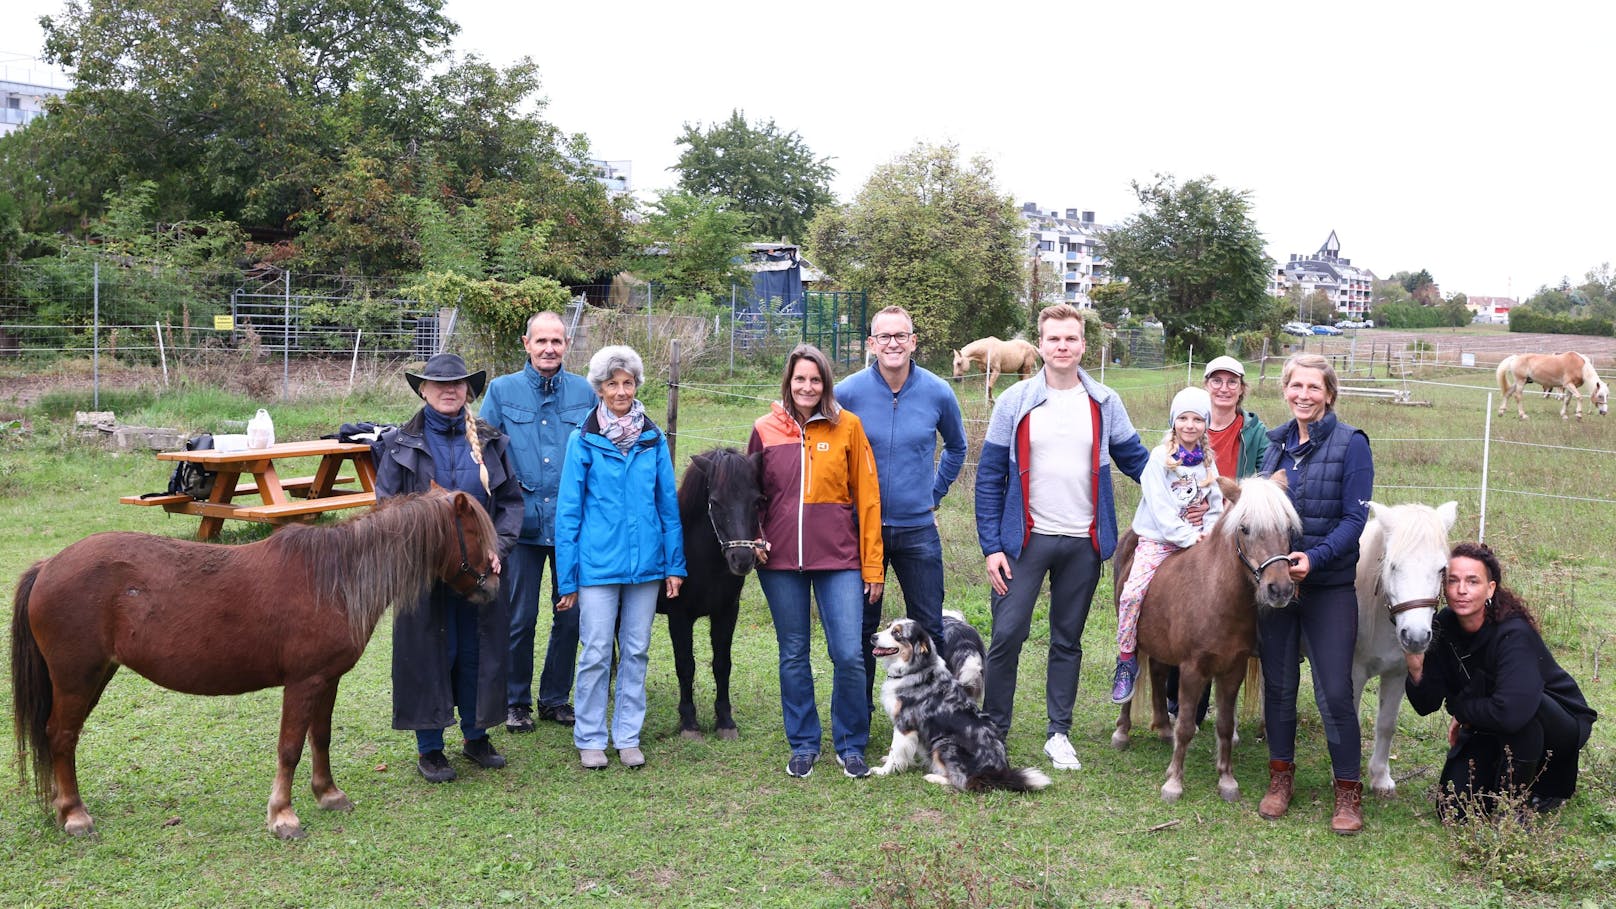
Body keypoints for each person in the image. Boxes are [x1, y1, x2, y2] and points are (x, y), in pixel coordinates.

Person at [976, 303, 1152, 772]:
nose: (1062, 346)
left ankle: (1059, 733)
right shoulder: (1015, 402)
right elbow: (990, 476)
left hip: (1083, 543)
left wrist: (1186, 482)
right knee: (1007, 636)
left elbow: (1138, 462)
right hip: (1024, 542)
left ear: (1082, 345)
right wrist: (992, 546)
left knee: (1067, 640)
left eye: (1070, 338)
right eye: (1053, 339)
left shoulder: (1104, 401)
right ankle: (994, 732)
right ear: (1041, 344)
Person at [374, 353, 523, 783]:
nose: (449, 391)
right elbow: (387, 508)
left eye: (458, 384)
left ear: (469, 391)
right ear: (423, 390)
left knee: (478, 651)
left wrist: (500, 547)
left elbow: (511, 503)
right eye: (439, 385)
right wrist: (422, 554)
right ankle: (430, 747)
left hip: (480, 569)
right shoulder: (401, 445)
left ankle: (476, 737)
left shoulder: (492, 441)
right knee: (430, 653)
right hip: (423, 574)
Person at [749, 343, 883, 779]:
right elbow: (749, 496)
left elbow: (867, 499)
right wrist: (754, 538)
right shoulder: (765, 428)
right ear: (788, 382)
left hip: (840, 559)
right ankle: (804, 743)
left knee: (848, 653)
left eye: (815, 379)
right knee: (793, 653)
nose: (807, 387)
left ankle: (851, 744)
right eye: (799, 379)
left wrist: (873, 566)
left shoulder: (849, 427)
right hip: (780, 561)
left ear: (825, 383)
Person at [1255, 352, 1375, 834]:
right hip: (1279, 588)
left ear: (1329, 393)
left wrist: (1317, 558)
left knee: (1335, 692)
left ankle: (1347, 791)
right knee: (1279, 688)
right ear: (1285, 390)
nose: (1303, 395)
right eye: (1295, 386)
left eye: (1313, 387)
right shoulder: (1275, 446)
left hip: (1327, 588)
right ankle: (1280, 778)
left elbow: (1354, 520)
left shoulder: (1352, 445)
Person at [554, 346, 686, 770]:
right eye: (612, 383)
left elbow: (668, 506)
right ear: (599, 388)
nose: (621, 391)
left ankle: (627, 734)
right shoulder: (583, 439)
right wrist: (567, 579)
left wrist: (674, 565)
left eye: (627, 383)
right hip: (597, 566)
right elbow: (569, 512)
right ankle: (590, 736)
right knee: (594, 651)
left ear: (636, 385)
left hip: (646, 566)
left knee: (637, 649)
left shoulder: (652, 440)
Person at [835, 305, 967, 712]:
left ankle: (934, 713)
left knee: (929, 627)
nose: (893, 343)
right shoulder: (847, 392)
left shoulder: (938, 391)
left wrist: (934, 492)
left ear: (913, 341)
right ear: (871, 344)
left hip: (916, 529)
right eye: (884, 337)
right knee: (861, 630)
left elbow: (957, 447)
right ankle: (858, 718)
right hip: (861, 531)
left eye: (901, 336)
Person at [1405, 542, 1596, 817]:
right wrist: (1415, 666)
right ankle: (1499, 775)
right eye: (1453, 581)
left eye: (1472, 581)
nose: (1461, 590)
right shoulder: (1443, 625)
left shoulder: (1513, 631)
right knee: (1453, 809)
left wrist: (1463, 711)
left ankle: (1517, 806)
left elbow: (1511, 713)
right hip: (1490, 720)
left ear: (1490, 588)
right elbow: (1427, 704)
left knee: (1524, 715)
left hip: (1557, 721)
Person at [479, 311, 597, 733]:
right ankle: (516, 701)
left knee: (570, 616)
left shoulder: (585, 393)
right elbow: (484, 452)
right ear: (526, 343)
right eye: (541, 341)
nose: (549, 349)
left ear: (567, 346)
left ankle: (555, 698)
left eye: (557, 342)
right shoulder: (502, 390)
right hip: (522, 527)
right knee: (519, 616)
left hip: (571, 527)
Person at [1165, 355, 1271, 721]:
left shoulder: (1255, 432)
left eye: (1232, 382)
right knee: (1182, 601)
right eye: (1217, 380)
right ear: (1206, 384)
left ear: (1242, 389)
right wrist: (1188, 508)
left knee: (1227, 606)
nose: (1224, 388)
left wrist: (1232, 509)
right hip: (1190, 519)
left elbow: (1263, 479)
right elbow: (1170, 475)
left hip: (1235, 523)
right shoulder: (1191, 425)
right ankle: (1169, 690)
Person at [1112, 387, 1225, 705]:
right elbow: (1161, 510)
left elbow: (1215, 504)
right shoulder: (1159, 459)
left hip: (1198, 543)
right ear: (1174, 422)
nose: (1190, 425)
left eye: (1197, 419)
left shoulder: (1207, 462)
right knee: (1132, 593)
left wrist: (1210, 532)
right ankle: (1126, 659)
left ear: (1205, 424)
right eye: (1183, 418)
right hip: (1160, 541)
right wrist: (1189, 536)